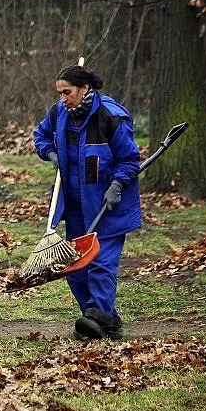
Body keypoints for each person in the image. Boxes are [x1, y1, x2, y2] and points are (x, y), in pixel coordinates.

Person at [33, 64, 141, 340]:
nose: (63, 98)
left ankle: (98, 318)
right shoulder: (59, 114)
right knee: (76, 269)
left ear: (84, 89)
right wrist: (49, 154)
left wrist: (117, 185)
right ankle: (99, 319)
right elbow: (40, 136)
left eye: (67, 92)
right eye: (59, 93)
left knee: (101, 265)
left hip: (108, 206)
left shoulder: (111, 116)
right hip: (76, 206)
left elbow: (129, 159)